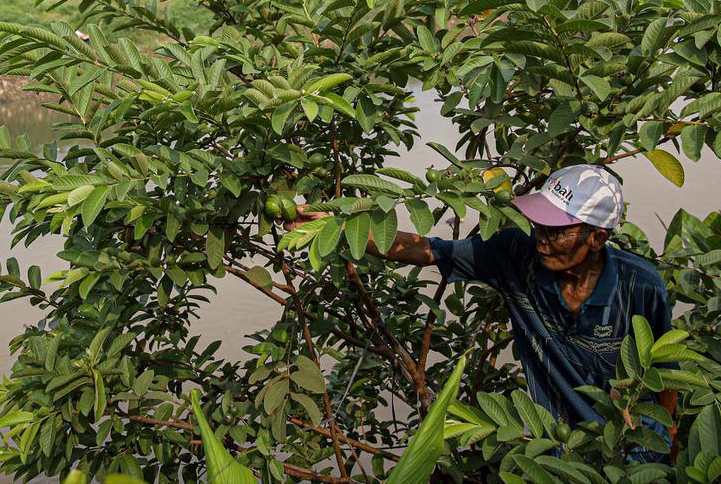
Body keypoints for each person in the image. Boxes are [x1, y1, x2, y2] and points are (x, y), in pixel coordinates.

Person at [290, 164, 677, 457]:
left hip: (634, 446)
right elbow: (425, 249)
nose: (541, 241)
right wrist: (338, 227)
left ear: (597, 238)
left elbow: (666, 374)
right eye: (538, 225)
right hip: (558, 449)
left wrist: (670, 439)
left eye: (556, 231)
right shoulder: (515, 253)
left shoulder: (640, 286)